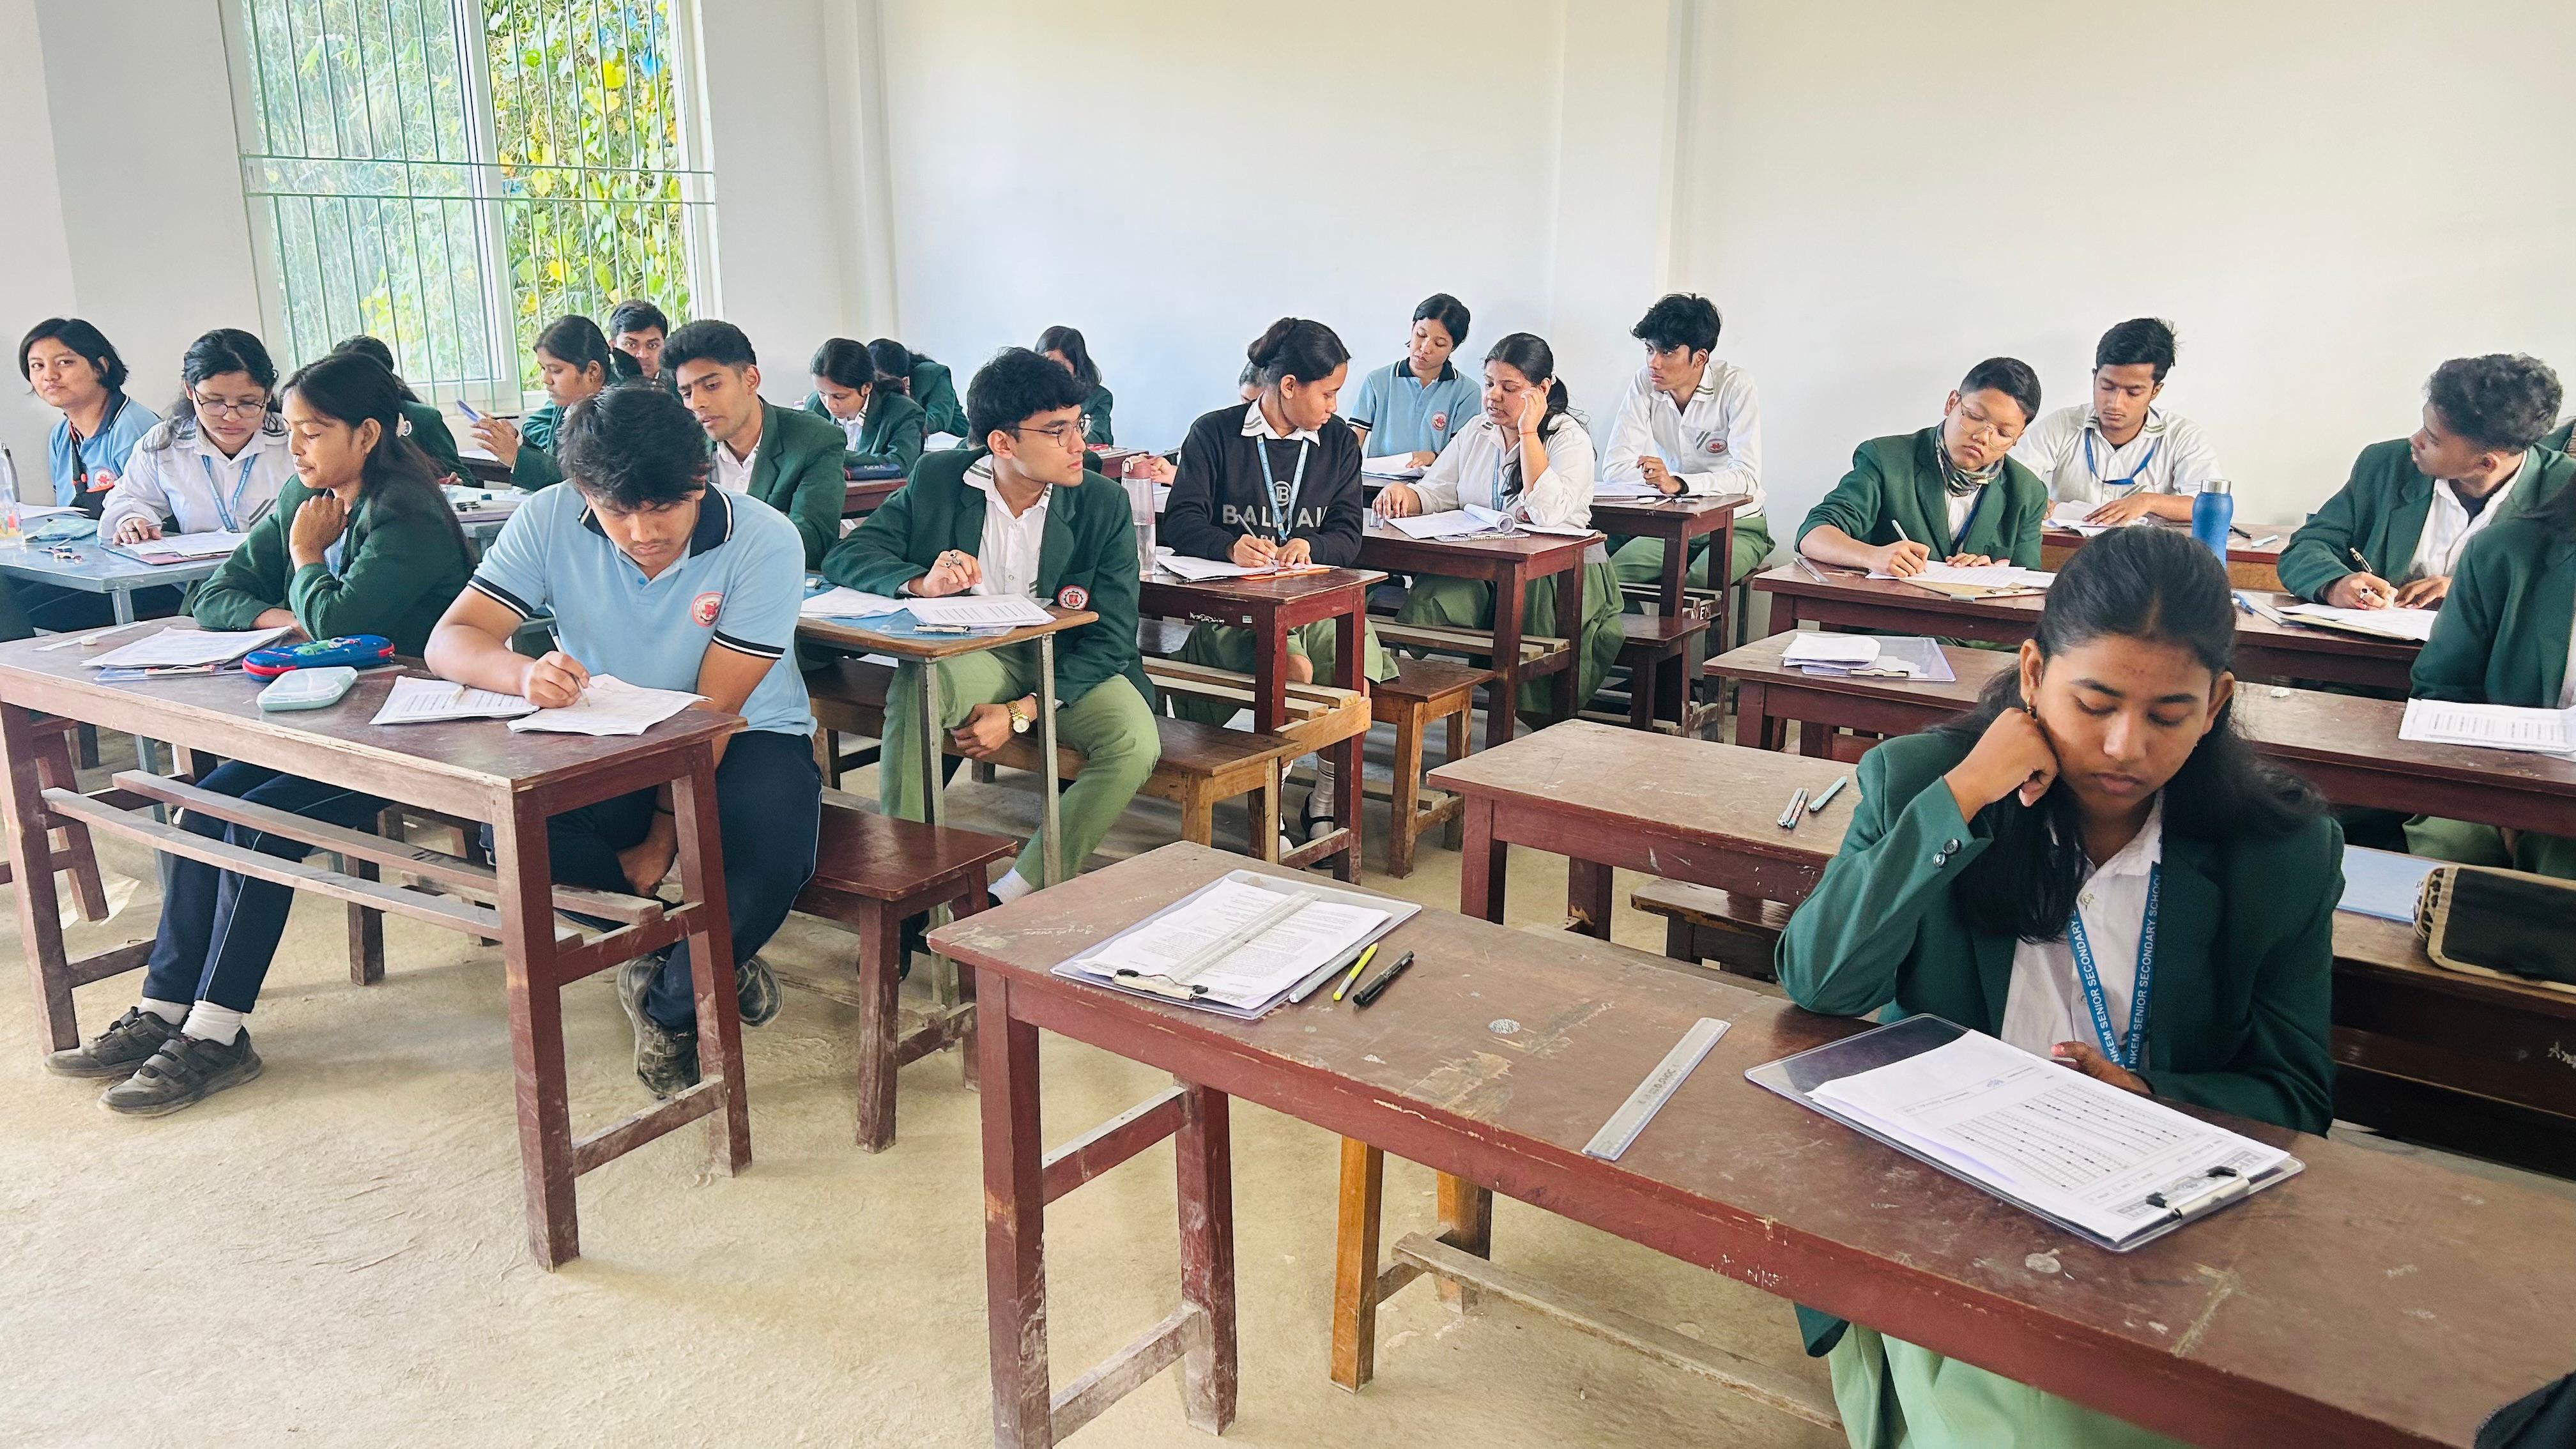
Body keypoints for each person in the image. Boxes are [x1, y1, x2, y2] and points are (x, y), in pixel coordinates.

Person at [1778, 524, 2340, 1449]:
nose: (2125, 747)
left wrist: (2151, 1097)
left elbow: (2297, 1097)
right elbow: (1823, 981)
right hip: (1941, 1200)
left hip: (2153, 1220)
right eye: (2095, 703)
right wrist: (1963, 795)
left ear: (2217, 704)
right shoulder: (1925, 783)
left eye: (2168, 716)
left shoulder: (2278, 852)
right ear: (2034, 674)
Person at [43, 353, 475, 1112]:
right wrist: (293, 619)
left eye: (314, 430)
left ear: (367, 434)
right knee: (202, 810)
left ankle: (216, 1034)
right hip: (329, 715)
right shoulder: (308, 494)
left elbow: (343, 620)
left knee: (259, 827)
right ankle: (163, 1008)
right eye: (294, 428)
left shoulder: (407, 511)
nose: (295, 446)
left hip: (410, 731)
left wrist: (307, 562)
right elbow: (215, 594)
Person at [425, 381, 816, 1096]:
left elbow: (712, 713)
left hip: (743, 733)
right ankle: (688, 954)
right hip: (607, 729)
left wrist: (662, 838)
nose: (642, 533)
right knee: (515, 837)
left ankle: (669, 1003)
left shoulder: (764, 540)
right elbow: (451, 639)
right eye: (616, 511)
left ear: (701, 478)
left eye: (663, 507)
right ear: (583, 493)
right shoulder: (548, 517)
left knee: (771, 858)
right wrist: (524, 673)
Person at [822, 346, 1159, 908]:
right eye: (1058, 431)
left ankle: (1018, 889)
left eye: (1079, 425)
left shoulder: (1101, 502)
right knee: (920, 688)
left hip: (1070, 660)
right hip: (974, 654)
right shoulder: (939, 478)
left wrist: (1021, 713)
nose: (1080, 445)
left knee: (1134, 741)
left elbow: (1113, 637)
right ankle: (910, 888)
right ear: (1002, 443)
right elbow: (849, 555)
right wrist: (921, 582)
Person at [1164, 318, 1390, 841]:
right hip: (1239, 608)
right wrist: (1229, 546)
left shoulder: (1338, 442)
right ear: (1289, 386)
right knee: (1294, 668)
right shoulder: (1215, 433)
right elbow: (1181, 521)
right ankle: (1268, 811)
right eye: (1327, 393)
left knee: (1351, 669)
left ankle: (1326, 797)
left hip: (1316, 602)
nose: (1334, 406)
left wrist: (1312, 546)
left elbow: (1348, 533)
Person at [1374, 332, 1620, 716]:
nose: (1493, 396)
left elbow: (1548, 514)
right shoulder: (1478, 430)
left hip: (1557, 577)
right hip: (1487, 564)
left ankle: (1525, 727)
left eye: (1509, 388)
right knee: (1432, 600)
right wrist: (1407, 495)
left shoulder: (1566, 438)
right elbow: (1438, 492)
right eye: (1489, 384)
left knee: (1527, 653)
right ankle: (1393, 691)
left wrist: (1528, 433)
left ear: (1542, 389)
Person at [2278, 355, 2570, 609]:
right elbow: (2307, 546)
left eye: (2433, 439)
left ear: (2485, 464)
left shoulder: (2565, 488)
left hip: (2489, 658)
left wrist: (2465, 590)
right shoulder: (2386, 465)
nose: (2415, 440)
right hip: (2371, 648)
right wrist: (2335, 583)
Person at [2404, 482, 2576, 877]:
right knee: (2454, 850)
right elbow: (2442, 688)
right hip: (2496, 769)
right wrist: (2505, 800)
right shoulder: (2505, 551)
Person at [1797, 358, 2051, 576]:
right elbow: (1813, 534)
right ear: (1952, 403)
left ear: (2018, 437)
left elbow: (2029, 582)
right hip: (1892, 614)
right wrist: (1871, 556)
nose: (1983, 437)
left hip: (1972, 620)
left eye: (2003, 433)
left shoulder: (2027, 492)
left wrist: (1994, 574)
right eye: (1975, 417)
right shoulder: (1887, 459)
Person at [1602, 294, 1778, 600]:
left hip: (1738, 524)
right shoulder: (1645, 382)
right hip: (1675, 523)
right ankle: (1635, 634)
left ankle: (1685, 636)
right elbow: (1615, 468)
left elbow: (1747, 477)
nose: (1654, 362)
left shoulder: (1735, 385)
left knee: (1698, 584)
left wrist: (1680, 484)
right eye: (1650, 349)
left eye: (1667, 352)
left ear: (1700, 357)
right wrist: (1661, 482)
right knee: (1612, 579)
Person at [663, 319, 847, 568]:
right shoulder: (683, 446)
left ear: (751, 379)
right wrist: (772, 525)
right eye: (687, 394)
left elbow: (811, 541)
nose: (697, 403)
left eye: (712, 386)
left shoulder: (813, 438)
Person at [2011, 318, 2226, 523]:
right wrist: (2035, 500)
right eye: (2107, 386)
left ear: (2155, 391)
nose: (2115, 403)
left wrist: (2148, 501)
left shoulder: (2182, 436)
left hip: (2144, 548)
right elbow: (2010, 478)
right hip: (2069, 545)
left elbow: (2210, 506)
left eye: (2133, 392)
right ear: (2095, 377)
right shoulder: (2063, 424)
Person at [98, 329, 296, 549]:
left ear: (267, 394)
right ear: (190, 390)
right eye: (214, 402)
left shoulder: (294, 438)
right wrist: (132, 519)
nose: (231, 417)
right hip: (197, 570)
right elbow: (130, 497)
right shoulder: (164, 443)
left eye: (248, 403)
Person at [468, 315, 639, 492]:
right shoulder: (571, 400)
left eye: (556, 370)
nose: (545, 379)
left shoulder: (618, 409)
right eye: (543, 368)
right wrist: (517, 442)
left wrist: (517, 457)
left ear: (592, 371)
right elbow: (558, 462)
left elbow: (583, 483)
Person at [20, 316, 159, 512]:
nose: (49, 376)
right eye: (37, 366)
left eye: (64, 362)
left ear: (100, 368)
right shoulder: (60, 436)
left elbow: (155, 516)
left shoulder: (134, 429)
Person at [1345, 293, 1479, 473]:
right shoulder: (1378, 381)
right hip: (1379, 482)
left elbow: (1463, 454)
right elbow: (1354, 439)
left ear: (1453, 348)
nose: (1425, 348)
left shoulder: (1467, 392)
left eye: (1439, 344)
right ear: (1413, 326)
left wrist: (1433, 457)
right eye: (1421, 335)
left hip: (1433, 485)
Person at [330, 335, 465, 482]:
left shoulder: (422, 418)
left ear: (386, 378)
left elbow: (463, 477)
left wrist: (451, 483)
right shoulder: (328, 424)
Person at [803, 336, 926, 476]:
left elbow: (900, 464)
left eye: (839, 396)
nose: (830, 405)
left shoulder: (904, 411)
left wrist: (835, 456)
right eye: (822, 393)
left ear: (866, 387)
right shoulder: (816, 405)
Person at [868, 337, 968, 440]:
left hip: (955, 442)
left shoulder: (934, 374)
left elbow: (938, 421)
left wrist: (893, 428)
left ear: (904, 381)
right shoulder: (869, 384)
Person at [1036, 325, 1114, 445]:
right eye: (1047, 364)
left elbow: (1100, 438)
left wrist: (1064, 437)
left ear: (1077, 367)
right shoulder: (1028, 394)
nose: (1051, 372)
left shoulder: (1099, 397)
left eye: (1060, 366)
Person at [607, 299, 673, 389]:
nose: (643, 355)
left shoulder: (680, 384)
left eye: (652, 346)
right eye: (631, 345)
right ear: (612, 346)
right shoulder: (600, 386)